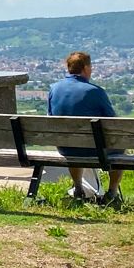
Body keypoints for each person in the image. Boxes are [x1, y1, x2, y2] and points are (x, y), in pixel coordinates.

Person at [47, 52, 123, 206]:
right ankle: (112, 193)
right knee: (119, 148)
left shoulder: (54, 89)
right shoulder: (95, 91)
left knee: (73, 141)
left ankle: (78, 188)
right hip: (94, 150)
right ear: (86, 68)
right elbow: (113, 123)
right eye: (91, 67)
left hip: (66, 148)